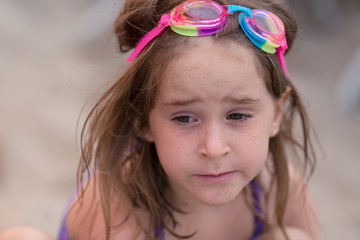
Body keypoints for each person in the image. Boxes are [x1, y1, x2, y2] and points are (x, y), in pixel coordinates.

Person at [59, 0, 320, 239]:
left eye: (238, 115)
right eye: (184, 118)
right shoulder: (115, 211)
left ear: (276, 114)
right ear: (142, 120)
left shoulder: (280, 191)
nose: (214, 148)